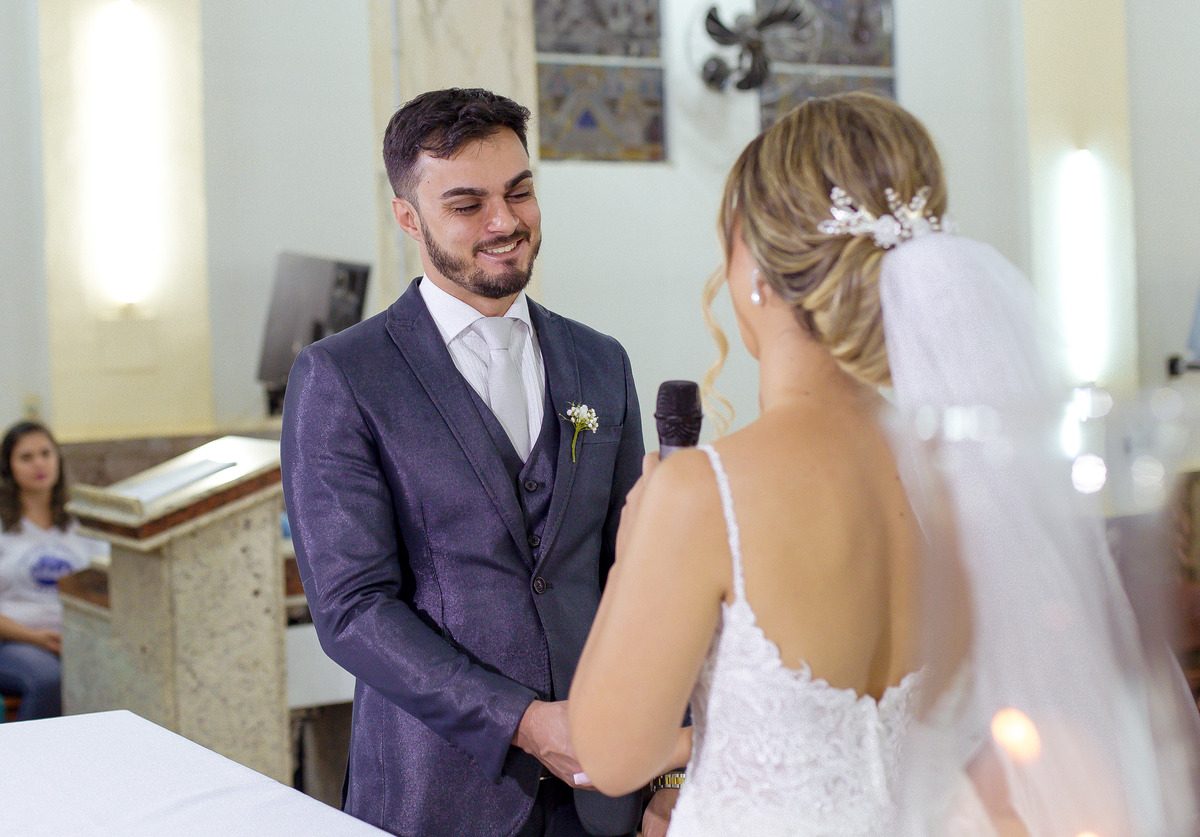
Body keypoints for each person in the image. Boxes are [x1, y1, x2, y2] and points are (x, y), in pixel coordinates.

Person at [569, 91, 1200, 836]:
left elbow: (609, 756)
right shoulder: (969, 470)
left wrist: (635, 547)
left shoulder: (702, 493)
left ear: (754, 267)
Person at [280, 88, 645, 837]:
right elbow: (353, 609)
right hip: (438, 791)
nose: (505, 222)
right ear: (408, 216)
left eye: (520, 192)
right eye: (467, 204)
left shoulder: (601, 361)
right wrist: (522, 720)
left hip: (603, 791)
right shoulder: (342, 375)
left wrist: (667, 768)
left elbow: (639, 580)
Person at [0, 421, 108, 721]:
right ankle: (23, 766)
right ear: (8, 468)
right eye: (26, 457)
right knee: (51, 679)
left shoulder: (81, 522)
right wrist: (36, 638)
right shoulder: (4, 527)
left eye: (46, 453)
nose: (39, 463)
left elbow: (106, 586)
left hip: (78, 638)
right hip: (15, 641)